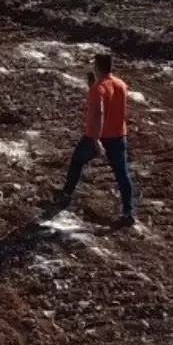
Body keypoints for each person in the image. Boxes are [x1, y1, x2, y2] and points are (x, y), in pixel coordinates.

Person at [53, 53, 136, 226]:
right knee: (122, 174)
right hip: (119, 135)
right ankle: (128, 212)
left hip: (96, 136)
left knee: (77, 161)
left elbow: (99, 112)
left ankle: (66, 195)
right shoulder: (121, 84)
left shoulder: (98, 88)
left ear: (97, 66)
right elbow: (113, 104)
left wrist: (96, 139)